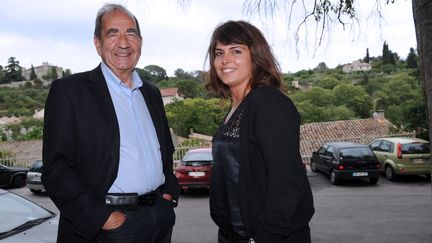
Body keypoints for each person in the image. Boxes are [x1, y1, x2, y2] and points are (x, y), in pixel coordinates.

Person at [42, 4, 179, 243]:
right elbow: (56, 169)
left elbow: (166, 152)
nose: (124, 42)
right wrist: (102, 218)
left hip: (159, 216)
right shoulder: (70, 92)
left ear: (140, 41)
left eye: (131, 33)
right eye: (113, 33)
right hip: (109, 226)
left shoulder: (152, 94)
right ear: (97, 43)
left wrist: (168, 194)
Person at [205, 20, 315, 243]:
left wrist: (265, 236)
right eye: (219, 53)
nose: (225, 60)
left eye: (235, 51)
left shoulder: (268, 102)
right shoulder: (236, 108)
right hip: (235, 235)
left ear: (255, 56)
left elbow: (287, 181)